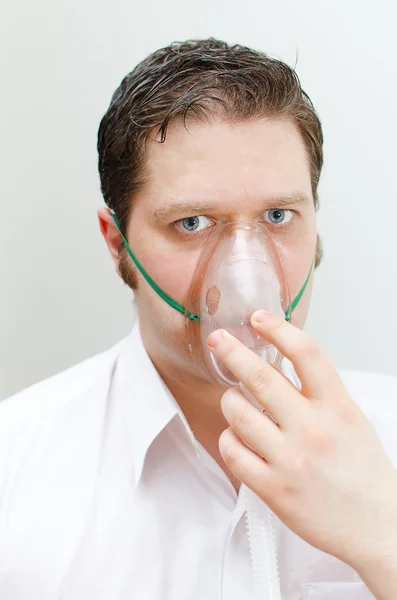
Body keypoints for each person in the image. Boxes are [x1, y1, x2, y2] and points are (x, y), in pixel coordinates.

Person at [1, 38, 396, 600]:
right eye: (192, 223)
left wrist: (383, 539)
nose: (244, 272)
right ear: (117, 243)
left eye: (278, 216)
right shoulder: (13, 474)